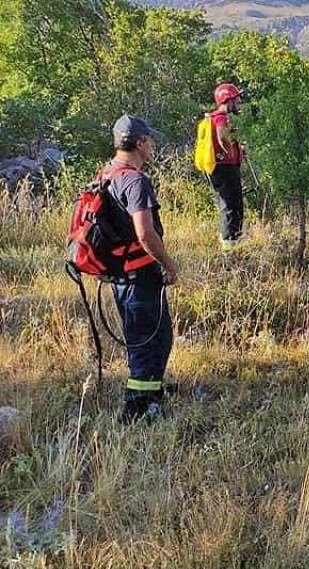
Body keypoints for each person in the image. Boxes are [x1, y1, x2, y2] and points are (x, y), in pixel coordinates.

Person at [106, 115, 178, 422]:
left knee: (145, 337)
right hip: (140, 274)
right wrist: (168, 263)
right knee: (152, 340)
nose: (153, 145)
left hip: (123, 274)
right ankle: (139, 409)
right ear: (139, 143)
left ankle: (151, 391)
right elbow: (145, 234)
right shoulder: (136, 181)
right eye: (150, 140)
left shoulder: (108, 173)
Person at [209, 83, 245, 251]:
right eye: (237, 100)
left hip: (225, 168)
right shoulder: (221, 117)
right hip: (224, 168)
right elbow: (223, 137)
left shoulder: (221, 117)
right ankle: (229, 248)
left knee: (233, 205)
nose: (239, 103)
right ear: (227, 100)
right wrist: (234, 141)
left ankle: (233, 242)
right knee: (230, 206)